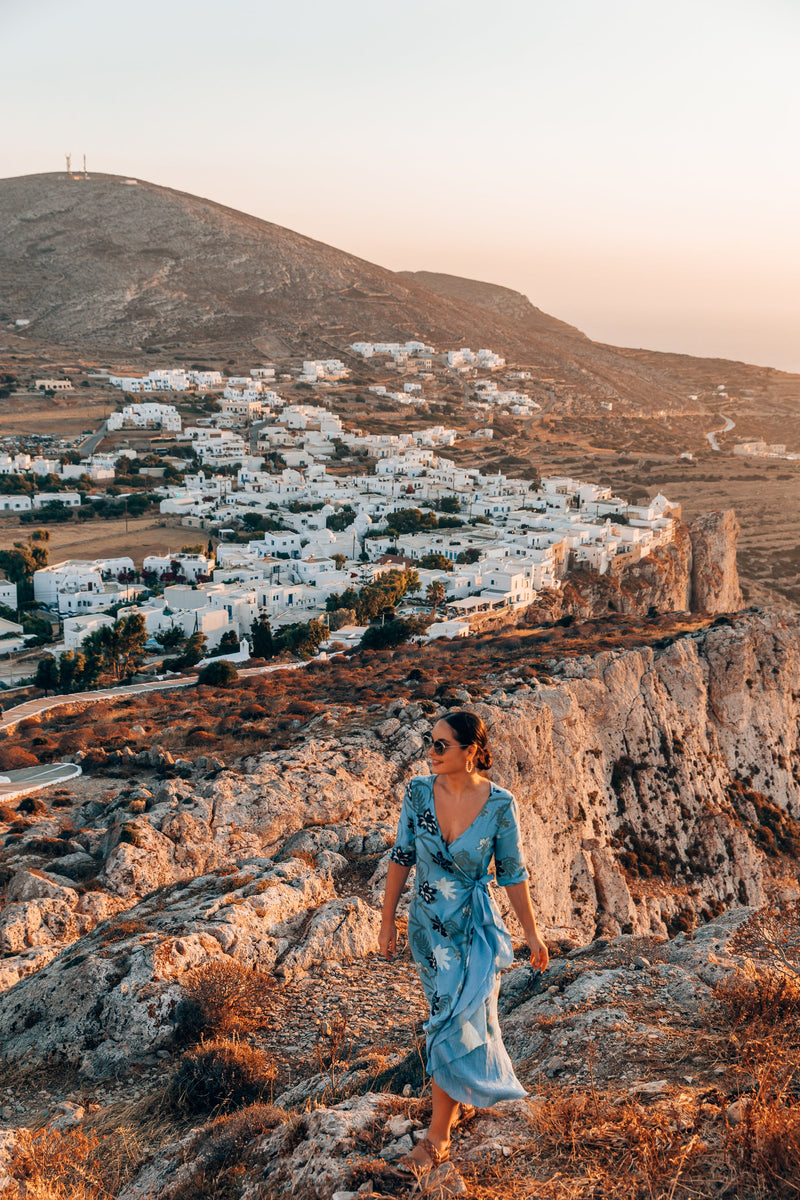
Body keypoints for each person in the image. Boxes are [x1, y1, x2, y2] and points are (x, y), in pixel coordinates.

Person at [380, 710, 549, 1173]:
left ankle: (437, 1138)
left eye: (440, 745)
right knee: (446, 1017)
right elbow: (401, 857)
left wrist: (531, 934)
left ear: (469, 750)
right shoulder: (416, 793)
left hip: (474, 929)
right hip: (429, 931)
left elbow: (513, 874)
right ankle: (459, 1100)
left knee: (463, 1018)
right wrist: (387, 919)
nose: (430, 753)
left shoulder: (499, 805)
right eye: (429, 743)